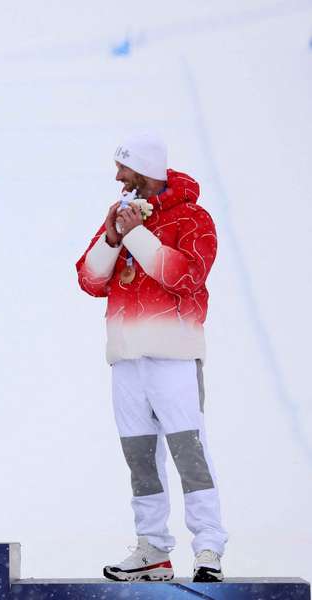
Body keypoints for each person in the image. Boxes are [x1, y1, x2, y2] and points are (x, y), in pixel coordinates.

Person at [75, 133, 227, 582]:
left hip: (174, 354)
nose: (117, 177)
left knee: (188, 452)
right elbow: (88, 279)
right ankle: (153, 549)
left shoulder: (194, 219)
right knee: (140, 458)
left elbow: (183, 276)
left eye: (124, 169)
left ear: (145, 172)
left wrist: (134, 234)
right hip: (126, 358)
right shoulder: (122, 217)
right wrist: (111, 236)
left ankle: (209, 547)